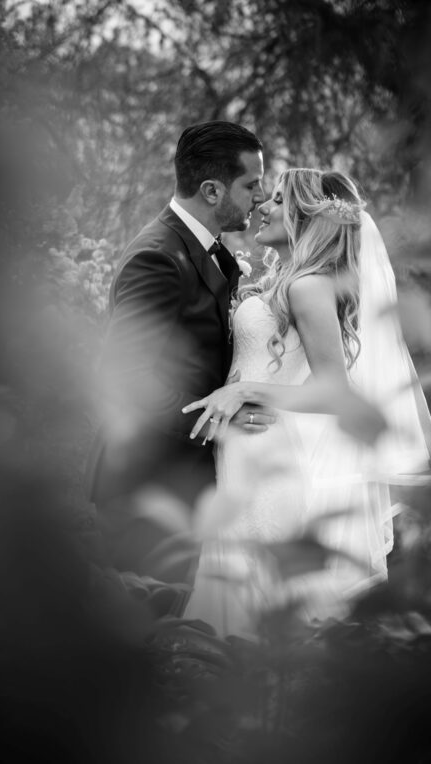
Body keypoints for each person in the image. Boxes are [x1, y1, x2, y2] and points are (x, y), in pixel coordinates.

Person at [182, 169, 431, 638]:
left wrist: (242, 390)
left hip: (273, 458)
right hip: (245, 451)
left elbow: (335, 391)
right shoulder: (284, 281)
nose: (263, 206)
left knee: (266, 600)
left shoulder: (308, 285)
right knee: (237, 588)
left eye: (277, 199)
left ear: (301, 216)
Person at [85, 121, 275, 605]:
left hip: (192, 484)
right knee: (149, 640)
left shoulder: (210, 253)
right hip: (150, 490)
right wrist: (219, 421)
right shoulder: (157, 257)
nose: (260, 196)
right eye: (251, 185)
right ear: (212, 190)